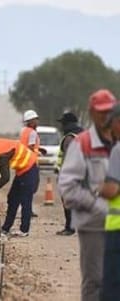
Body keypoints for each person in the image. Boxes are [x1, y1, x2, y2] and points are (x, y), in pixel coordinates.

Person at [59, 89, 116, 301]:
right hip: (93, 224)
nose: (105, 117)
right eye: (101, 112)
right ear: (92, 113)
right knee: (95, 281)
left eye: (109, 112)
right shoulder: (82, 143)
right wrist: (97, 203)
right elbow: (68, 188)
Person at [0, 137, 39, 237]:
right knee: (12, 198)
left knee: (25, 200)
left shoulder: (2, 157)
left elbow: (5, 178)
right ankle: (6, 228)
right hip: (22, 170)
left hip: (29, 168)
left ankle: (24, 230)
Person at [98, 104, 120, 301]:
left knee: (112, 288)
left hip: (117, 229)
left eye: (111, 124)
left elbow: (112, 190)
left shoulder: (118, 151)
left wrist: (98, 187)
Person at [56, 111, 84, 236]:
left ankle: (70, 228)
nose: (61, 126)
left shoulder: (69, 137)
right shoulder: (84, 134)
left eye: (62, 123)